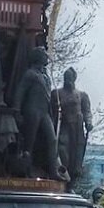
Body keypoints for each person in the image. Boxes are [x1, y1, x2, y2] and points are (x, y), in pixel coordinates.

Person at [14, 47, 62, 180]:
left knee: (52, 140)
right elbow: (20, 93)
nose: (47, 57)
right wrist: (17, 111)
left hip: (44, 112)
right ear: (38, 57)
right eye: (44, 55)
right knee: (29, 142)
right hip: (32, 111)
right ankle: (26, 169)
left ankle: (54, 171)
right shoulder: (30, 74)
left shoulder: (45, 76)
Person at [50, 67, 92, 187]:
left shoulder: (82, 95)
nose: (67, 80)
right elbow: (52, 112)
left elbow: (87, 111)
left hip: (77, 130)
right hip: (63, 127)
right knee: (63, 153)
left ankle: (70, 185)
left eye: (69, 78)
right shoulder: (56, 94)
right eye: (65, 78)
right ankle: (62, 177)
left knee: (75, 160)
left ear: (74, 79)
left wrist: (88, 122)